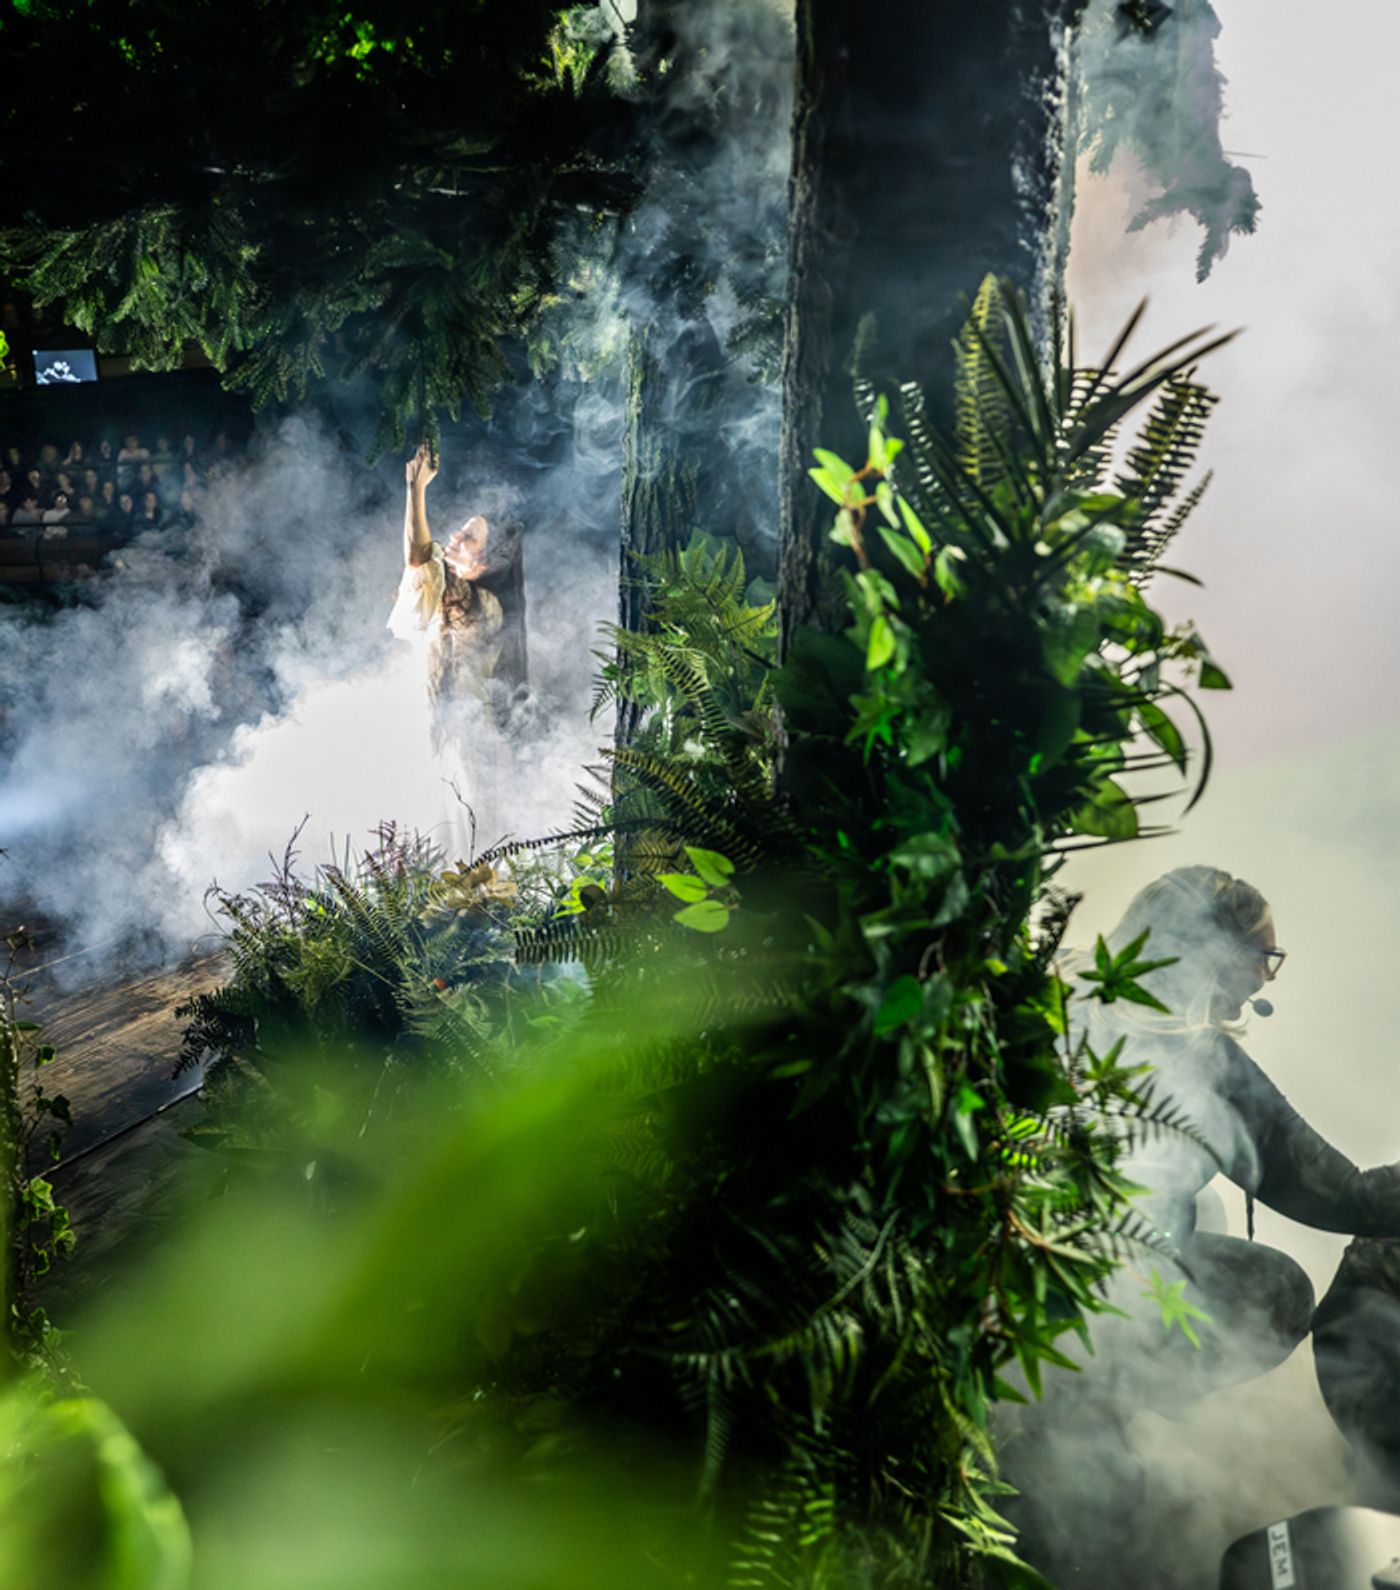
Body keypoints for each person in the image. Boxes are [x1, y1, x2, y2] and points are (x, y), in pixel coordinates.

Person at [389, 443, 529, 754]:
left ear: (485, 564)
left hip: (463, 744)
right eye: (460, 531)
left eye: (469, 538)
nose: (454, 537)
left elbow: (419, 560)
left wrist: (416, 489)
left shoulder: (485, 606)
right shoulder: (454, 592)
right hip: (444, 736)